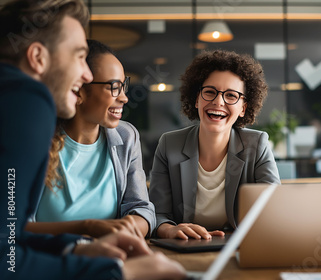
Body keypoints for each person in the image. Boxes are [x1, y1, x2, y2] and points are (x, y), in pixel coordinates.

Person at [0, 0, 185, 279]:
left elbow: (7, 239)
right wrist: (119, 272)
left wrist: (74, 250)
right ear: (38, 58)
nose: (85, 75)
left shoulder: (13, 101)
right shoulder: (28, 101)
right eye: (77, 56)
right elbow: (8, 261)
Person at [24, 39, 155, 238]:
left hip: (110, 256)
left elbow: (142, 208)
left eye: (123, 86)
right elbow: (13, 227)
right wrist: (86, 228)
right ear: (79, 90)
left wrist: (131, 227)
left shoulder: (126, 136)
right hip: (50, 260)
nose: (124, 97)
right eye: (113, 86)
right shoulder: (34, 140)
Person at [149, 50, 280, 240]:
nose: (218, 102)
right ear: (196, 99)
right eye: (210, 92)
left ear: (243, 108)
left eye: (231, 96)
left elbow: (274, 209)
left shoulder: (257, 145)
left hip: (239, 246)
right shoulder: (169, 145)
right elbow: (158, 215)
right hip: (184, 246)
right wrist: (169, 229)